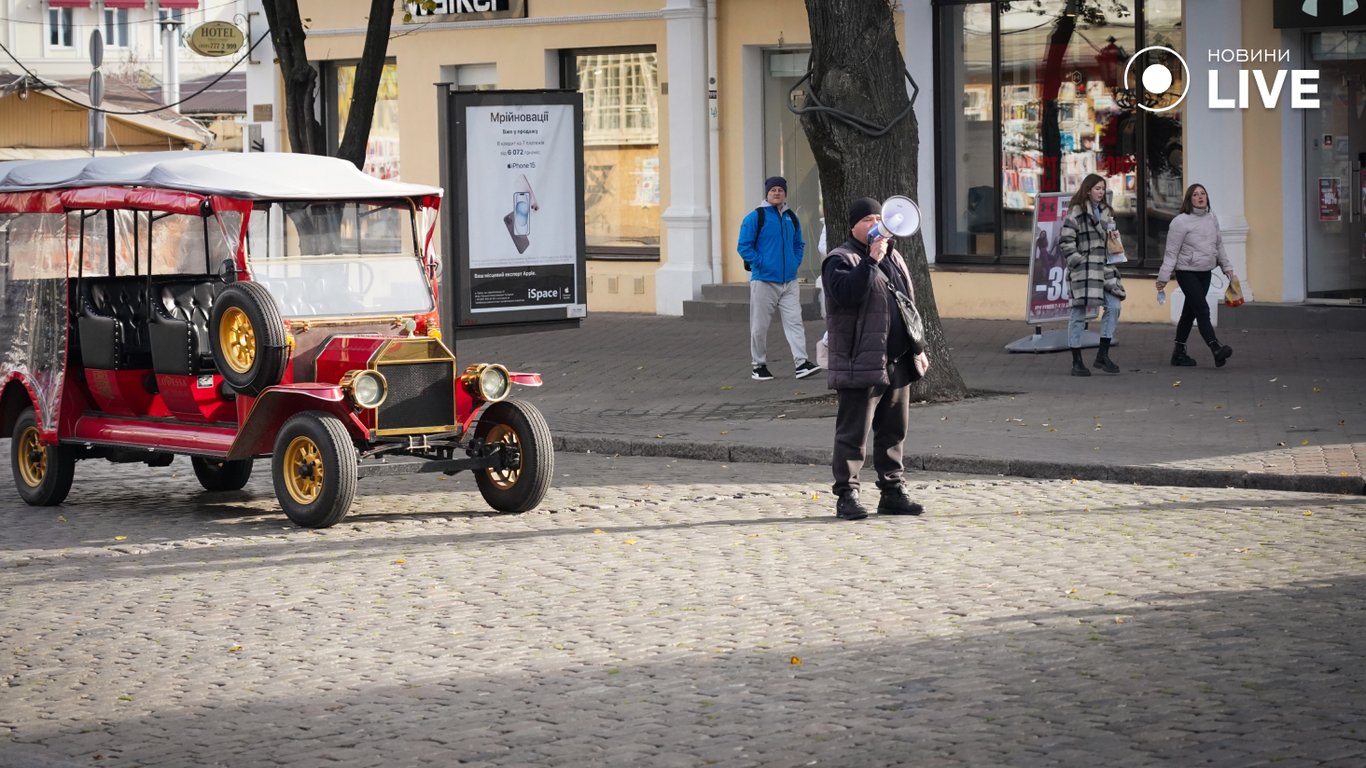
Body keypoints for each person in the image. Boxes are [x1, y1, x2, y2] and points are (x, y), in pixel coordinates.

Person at [821, 196, 931, 521]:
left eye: (876, 218)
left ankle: (893, 491)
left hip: (896, 360)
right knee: (853, 433)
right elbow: (847, 295)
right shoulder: (840, 260)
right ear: (853, 226)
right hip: (860, 360)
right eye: (867, 220)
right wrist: (870, 261)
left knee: (894, 431)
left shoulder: (894, 257)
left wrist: (918, 349)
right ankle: (847, 494)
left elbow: (907, 307)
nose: (874, 225)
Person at [737, 176, 820, 381]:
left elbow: (798, 243)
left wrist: (794, 263)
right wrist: (761, 263)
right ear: (767, 193)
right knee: (759, 325)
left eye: (780, 190)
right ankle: (758, 365)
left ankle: (802, 363)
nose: (776, 193)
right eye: (773, 189)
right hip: (764, 280)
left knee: (795, 322)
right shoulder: (756, 217)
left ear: (785, 193)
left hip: (789, 281)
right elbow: (744, 246)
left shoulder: (791, 216)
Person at [1156, 183, 1236, 367]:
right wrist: (1163, 278)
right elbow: (1171, 252)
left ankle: (1178, 353)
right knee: (1202, 309)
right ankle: (1215, 347)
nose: (1200, 197)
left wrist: (1226, 266)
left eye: (1203, 194)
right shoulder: (1180, 221)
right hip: (1186, 272)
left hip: (1205, 272)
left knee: (1189, 313)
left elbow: (1219, 245)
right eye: (1195, 195)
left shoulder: (1211, 218)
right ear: (1189, 199)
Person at [1058, 173, 1126, 377]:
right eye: (1097, 188)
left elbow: (1109, 238)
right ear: (1087, 190)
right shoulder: (1076, 212)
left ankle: (1102, 354)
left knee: (1114, 305)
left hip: (1104, 268)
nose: (1101, 192)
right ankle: (1076, 361)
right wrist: (1078, 261)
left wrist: (1114, 239)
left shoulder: (1106, 212)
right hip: (1085, 269)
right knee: (1078, 313)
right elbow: (1065, 242)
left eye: (1103, 189)